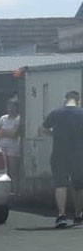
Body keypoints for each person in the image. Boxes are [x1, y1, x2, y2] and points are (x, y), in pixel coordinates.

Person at [39, 90, 83, 228]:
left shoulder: (56, 113)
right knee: (79, 186)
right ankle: (78, 215)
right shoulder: (81, 113)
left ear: (65, 99)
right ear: (78, 101)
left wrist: (54, 134)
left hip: (59, 153)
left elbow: (42, 129)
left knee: (60, 184)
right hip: (78, 154)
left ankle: (61, 215)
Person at [0, 100, 22, 185]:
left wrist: (3, 132)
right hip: (2, 147)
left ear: (16, 107)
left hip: (13, 148)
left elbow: (15, 134)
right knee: (2, 171)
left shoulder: (19, 119)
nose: (10, 108)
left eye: (12, 106)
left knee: (13, 171)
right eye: (9, 106)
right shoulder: (3, 118)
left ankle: (15, 189)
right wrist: (8, 132)